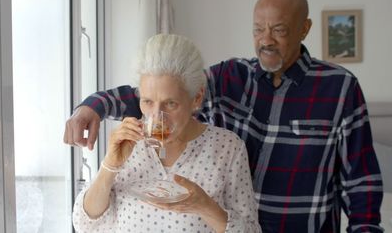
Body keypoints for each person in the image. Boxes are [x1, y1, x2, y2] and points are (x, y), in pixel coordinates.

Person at [65, 0, 384, 233]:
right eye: (258, 29)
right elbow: (162, 93)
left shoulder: (339, 88)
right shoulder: (231, 76)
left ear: (304, 28)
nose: (266, 40)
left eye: (279, 30)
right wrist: (94, 107)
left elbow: (361, 183)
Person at [72, 34, 261, 232]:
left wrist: (206, 207)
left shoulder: (228, 148)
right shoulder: (127, 142)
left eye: (170, 103)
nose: (157, 116)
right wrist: (110, 165)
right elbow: (85, 223)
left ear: (196, 98)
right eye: (147, 102)